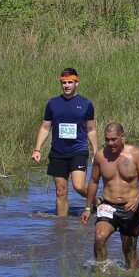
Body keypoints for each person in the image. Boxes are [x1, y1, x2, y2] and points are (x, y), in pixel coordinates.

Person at [82, 122, 139, 269]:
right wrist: (88, 208)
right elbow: (93, 181)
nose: (110, 143)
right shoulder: (100, 156)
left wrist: (137, 199)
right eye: (107, 139)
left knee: (129, 253)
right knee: (99, 238)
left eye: (114, 139)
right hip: (108, 205)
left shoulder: (135, 154)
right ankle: (102, 274)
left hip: (130, 208)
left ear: (122, 137)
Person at [31, 68, 95, 218]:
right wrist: (37, 149)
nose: (67, 85)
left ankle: (96, 200)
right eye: (64, 82)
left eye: (70, 82)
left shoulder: (85, 104)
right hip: (58, 152)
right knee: (61, 191)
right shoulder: (53, 104)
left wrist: (96, 151)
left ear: (76, 83)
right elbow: (45, 127)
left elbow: (91, 129)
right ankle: (62, 226)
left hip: (78, 149)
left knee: (78, 186)